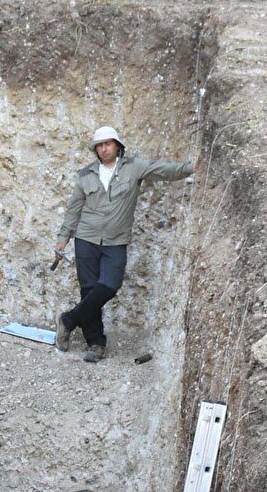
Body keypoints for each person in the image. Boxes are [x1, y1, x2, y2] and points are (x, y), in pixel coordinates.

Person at [53, 127, 195, 363]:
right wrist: (63, 239)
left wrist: (190, 167)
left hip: (115, 241)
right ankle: (96, 343)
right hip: (86, 238)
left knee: (108, 286)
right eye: (99, 145)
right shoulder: (86, 174)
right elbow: (74, 209)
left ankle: (68, 320)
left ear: (117, 145)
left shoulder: (133, 168)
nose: (104, 148)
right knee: (89, 291)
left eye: (108, 143)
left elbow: (163, 170)